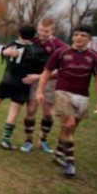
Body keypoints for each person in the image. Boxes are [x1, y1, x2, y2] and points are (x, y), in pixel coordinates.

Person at [36, 25, 97, 177]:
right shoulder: (61, 52)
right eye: (76, 34)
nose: (79, 38)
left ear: (90, 39)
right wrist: (39, 90)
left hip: (83, 96)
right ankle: (70, 163)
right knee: (69, 124)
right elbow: (46, 72)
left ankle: (59, 154)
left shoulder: (95, 57)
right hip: (62, 93)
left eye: (83, 35)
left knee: (70, 129)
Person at [0, 24, 46, 150]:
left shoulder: (12, 44)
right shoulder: (37, 49)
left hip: (6, 80)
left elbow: (4, 52)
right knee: (13, 111)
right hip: (22, 83)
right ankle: (5, 139)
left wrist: (6, 52)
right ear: (34, 36)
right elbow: (43, 67)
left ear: (19, 33)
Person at [18, 17, 68, 154]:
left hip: (50, 82)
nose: (42, 33)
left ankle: (43, 140)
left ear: (52, 30)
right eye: (40, 30)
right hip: (33, 81)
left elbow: (62, 69)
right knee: (31, 110)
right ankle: (28, 141)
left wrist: (39, 77)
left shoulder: (60, 46)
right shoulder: (33, 41)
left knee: (47, 113)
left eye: (46, 31)